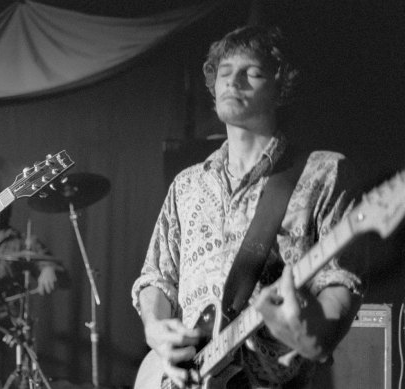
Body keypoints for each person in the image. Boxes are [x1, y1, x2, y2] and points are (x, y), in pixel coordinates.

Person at [131, 25, 365, 388]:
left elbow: (339, 281)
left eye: (251, 72)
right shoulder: (188, 184)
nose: (233, 81)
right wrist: (156, 330)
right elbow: (157, 278)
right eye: (224, 73)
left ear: (281, 86)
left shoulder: (324, 173)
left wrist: (311, 330)